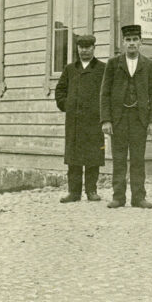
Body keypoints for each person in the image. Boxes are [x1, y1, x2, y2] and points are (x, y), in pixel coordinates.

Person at [100, 24, 152, 209]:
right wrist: (106, 120)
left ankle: (138, 198)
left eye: (135, 40)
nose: (132, 43)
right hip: (118, 119)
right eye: (128, 40)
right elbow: (105, 93)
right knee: (119, 159)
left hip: (139, 120)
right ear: (123, 43)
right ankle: (118, 197)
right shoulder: (113, 64)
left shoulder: (148, 65)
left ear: (141, 42)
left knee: (137, 159)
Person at [55, 33, 106, 202]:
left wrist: (102, 113)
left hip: (94, 120)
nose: (84, 51)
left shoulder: (102, 69)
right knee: (74, 158)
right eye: (81, 47)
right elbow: (60, 90)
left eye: (88, 47)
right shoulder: (70, 69)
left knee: (93, 156)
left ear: (93, 48)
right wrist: (67, 104)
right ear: (77, 48)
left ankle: (91, 191)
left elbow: (108, 93)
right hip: (74, 121)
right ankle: (74, 192)